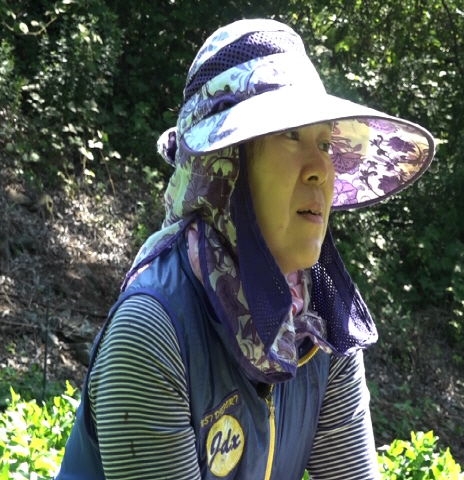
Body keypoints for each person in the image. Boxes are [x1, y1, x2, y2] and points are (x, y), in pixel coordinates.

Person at [56, 18, 435, 480]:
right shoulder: (154, 332)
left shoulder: (322, 324)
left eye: (324, 142)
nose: (321, 168)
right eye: (290, 135)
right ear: (225, 166)